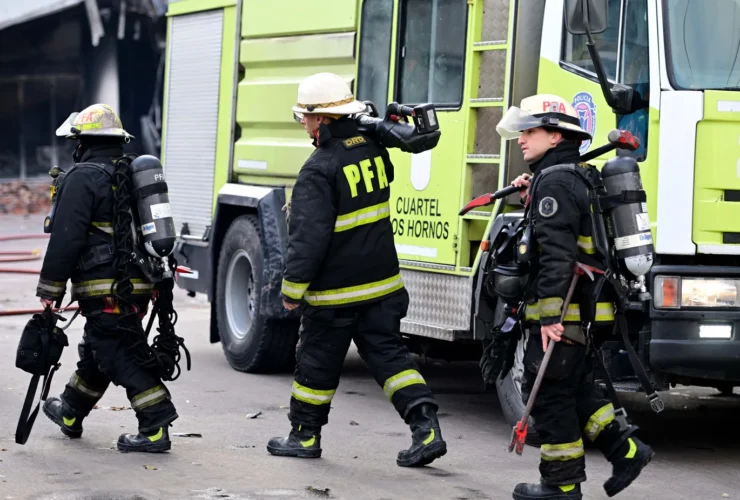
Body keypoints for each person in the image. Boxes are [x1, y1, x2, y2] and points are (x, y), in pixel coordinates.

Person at [267, 72, 447, 467]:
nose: (304, 124)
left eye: (305, 117)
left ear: (320, 119)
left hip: (335, 295)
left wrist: (291, 291)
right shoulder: (373, 150)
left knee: (316, 364)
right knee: (391, 358)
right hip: (382, 286)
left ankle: (304, 436)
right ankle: (427, 429)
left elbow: (307, 240)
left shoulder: (318, 169)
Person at [497, 94, 654, 499]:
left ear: (555, 135)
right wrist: (532, 195)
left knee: (550, 397)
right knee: (576, 389)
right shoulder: (575, 175)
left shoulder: (557, 182)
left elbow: (557, 256)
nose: (521, 139)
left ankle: (561, 483)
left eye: (530, 131)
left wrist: (550, 318)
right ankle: (627, 450)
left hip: (566, 313)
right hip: (588, 310)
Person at [38, 104, 177, 453]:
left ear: (83, 142)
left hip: (106, 287)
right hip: (139, 284)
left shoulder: (82, 177)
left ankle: (155, 424)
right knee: (99, 348)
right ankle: (71, 411)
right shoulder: (131, 172)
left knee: (118, 352)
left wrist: (50, 289)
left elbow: (66, 238)